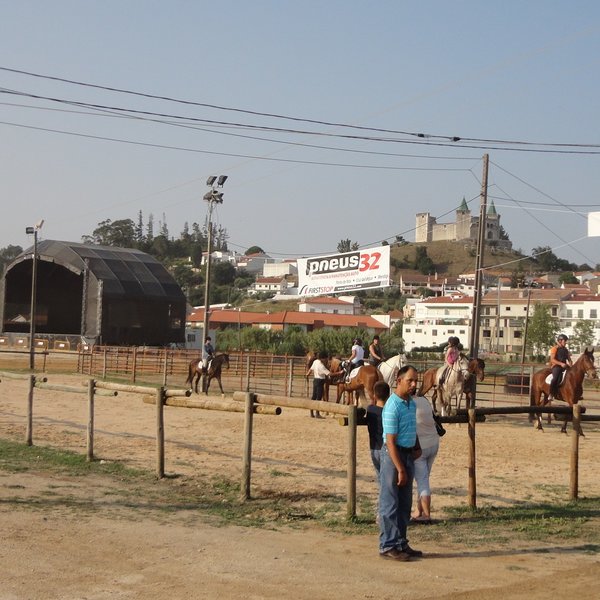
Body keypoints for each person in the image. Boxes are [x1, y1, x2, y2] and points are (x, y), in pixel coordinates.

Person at [378, 365, 423, 561]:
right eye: (410, 381)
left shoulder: (411, 404)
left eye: (416, 381)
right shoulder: (392, 405)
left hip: (406, 454)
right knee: (390, 502)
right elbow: (390, 441)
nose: (414, 384)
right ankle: (388, 545)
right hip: (392, 456)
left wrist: (417, 446)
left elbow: (412, 427)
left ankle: (400, 542)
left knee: (405, 503)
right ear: (399, 381)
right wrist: (400, 468)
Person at [411, 396, 440, 524]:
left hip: (421, 446)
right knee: (424, 478)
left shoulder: (408, 404)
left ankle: (426, 514)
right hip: (433, 442)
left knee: (422, 480)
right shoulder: (424, 400)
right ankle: (419, 510)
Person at [305, 351, 342, 418]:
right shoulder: (321, 366)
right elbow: (330, 374)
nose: (326, 360)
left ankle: (311, 413)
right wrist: (339, 372)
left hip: (315, 380)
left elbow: (310, 369)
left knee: (313, 396)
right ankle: (317, 413)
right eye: (325, 358)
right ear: (323, 358)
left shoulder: (315, 362)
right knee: (318, 398)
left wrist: (307, 374)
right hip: (320, 381)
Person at [366, 381, 391, 482]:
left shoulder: (370, 409)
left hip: (374, 447)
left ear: (375, 396)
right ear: (388, 395)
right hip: (385, 448)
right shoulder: (389, 411)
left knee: (380, 478)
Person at [548, 333, 572, 400]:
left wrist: (570, 363)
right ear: (560, 341)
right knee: (555, 378)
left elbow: (569, 359)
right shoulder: (554, 348)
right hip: (556, 366)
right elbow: (552, 359)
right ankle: (551, 393)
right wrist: (561, 364)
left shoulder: (565, 350)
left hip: (565, 366)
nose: (566, 342)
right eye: (565, 341)